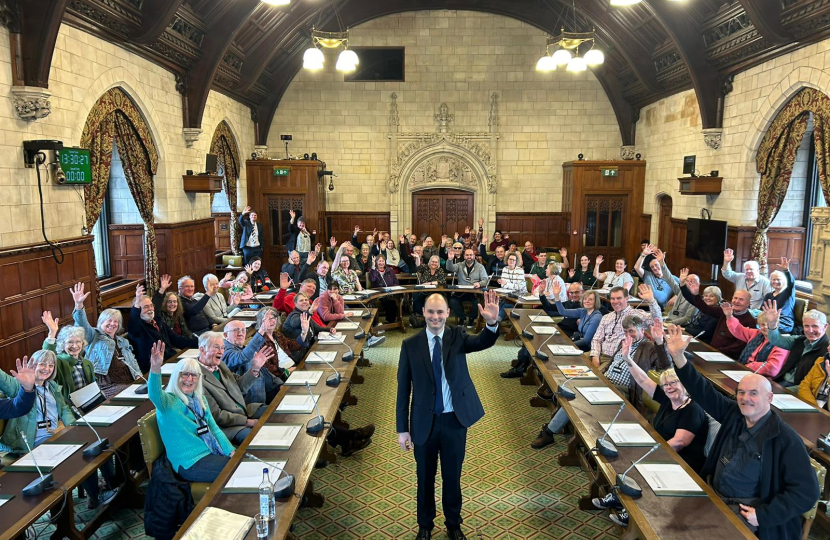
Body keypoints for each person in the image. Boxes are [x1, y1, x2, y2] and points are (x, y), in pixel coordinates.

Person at [665, 326, 819, 538]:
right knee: (667, 518)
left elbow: (807, 493)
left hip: (747, 515)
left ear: (769, 398)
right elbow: (703, 391)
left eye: (754, 393)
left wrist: (763, 515)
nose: (745, 398)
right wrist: (678, 357)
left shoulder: (785, 439)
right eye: (741, 393)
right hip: (714, 496)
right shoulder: (734, 414)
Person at [397, 291, 501, 540]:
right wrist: (402, 428)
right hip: (424, 423)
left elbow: (482, 342)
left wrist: (491, 323)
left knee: (452, 477)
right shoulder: (410, 345)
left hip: (455, 420)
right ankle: (425, 526)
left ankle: (453, 524)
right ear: (423, 312)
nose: (435, 317)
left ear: (448, 313)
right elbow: (403, 389)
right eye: (431, 312)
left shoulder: (457, 336)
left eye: (440, 312)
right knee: (424, 478)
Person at [148, 341, 235, 482]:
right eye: (185, 374)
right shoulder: (167, 401)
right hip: (189, 462)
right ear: (176, 376)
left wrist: (230, 451)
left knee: (240, 463)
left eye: (194, 375)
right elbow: (153, 393)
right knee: (235, 472)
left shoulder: (200, 399)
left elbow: (214, 428)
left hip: (209, 451)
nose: (190, 379)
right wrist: (155, 368)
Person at [195, 332, 271, 444]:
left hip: (244, 411)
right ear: (202, 350)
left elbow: (240, 386)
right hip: (228, 426)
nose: (221, 352)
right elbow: (217, 415)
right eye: (216, 347)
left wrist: (255, 368)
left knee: (276, 412)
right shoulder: (195, 377)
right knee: (258, 438)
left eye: (222, 348)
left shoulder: (220, 365)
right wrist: (248, 422)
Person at [71, 282, 142, 398]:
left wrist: (139, 377)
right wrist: (79, 305)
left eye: (115, 321)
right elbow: (81, 324)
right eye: (108, 321)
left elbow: (132, 361)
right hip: (106, 384)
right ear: (101, 322)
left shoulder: (123, 341)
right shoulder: (94, 335)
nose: (112, 324)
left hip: (128, 380)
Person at [679, 271, 755, 359]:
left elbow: (740, 345)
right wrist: (695, 294)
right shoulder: (725, 310)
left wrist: (718, 351)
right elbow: (705, 308)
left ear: (748, 304)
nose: (736, 301)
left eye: (741, 299)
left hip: (727, 356)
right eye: (735, 298)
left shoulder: (750, 321)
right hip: (711, 350)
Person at [589, 284, 662, 371]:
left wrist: (651, 301)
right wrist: (595, 356)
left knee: (591, 378)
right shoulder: (606, 317)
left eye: (619, 298)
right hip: (598, 354)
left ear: (627, 299)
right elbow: (597, 339)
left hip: (614, 359)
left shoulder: (636, 314)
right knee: (573, 362)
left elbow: (656, 321)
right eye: (613, 298)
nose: (615, 301)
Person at [131, 284, 198, 372]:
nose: (150, 309)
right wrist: (137, 304)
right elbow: (134, 321)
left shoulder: (157, 322)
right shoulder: (137, 328)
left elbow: (176, 340)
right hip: (153, 367)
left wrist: (202, 342)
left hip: (170, 359)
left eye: (151, 306)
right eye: (146, 307)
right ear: (138, 309)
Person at [766, 301, 830, 387]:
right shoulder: (799, 340)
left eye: (815, 326)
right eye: (806, 326)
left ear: (825, 327)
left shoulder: (827, 350)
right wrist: (772, 325)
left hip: (798, 389)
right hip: (781, 382)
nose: (810, 330)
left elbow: (814, 386)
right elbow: (775, 340)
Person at [222, 319, 285, 404]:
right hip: (251, 403)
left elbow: (262, 370)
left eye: (243, 330)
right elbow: (242, 357)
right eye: (235, 330)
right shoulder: (224, 350)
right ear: (226, 335)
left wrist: (279, 384)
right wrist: (262, 330)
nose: (240, 333)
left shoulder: (243, 348)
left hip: (266, 393)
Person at [724, 302, 787, 378]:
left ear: (776, 325)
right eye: (763, 324)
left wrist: (750, 366)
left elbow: (772, 368)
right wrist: (729, 316)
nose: (766, 327)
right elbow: (738, 329)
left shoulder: (781, 343)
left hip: (762, 378)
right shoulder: (756, 333)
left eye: (769, 324)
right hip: (744, 370)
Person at [41, 311, 95, 401]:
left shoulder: (87, 363)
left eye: (78, 341)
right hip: (69, 407)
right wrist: (52, 333)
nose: (75, 346)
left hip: (88, 403)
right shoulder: (58, 362)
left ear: (82, 343)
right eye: (70, 342)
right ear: (62, 344)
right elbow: (46, 357)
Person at [547, 282, 602, 351]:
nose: (587, 301)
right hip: (577, 341)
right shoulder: (583, 311)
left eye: (590, 299)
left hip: (585, 347)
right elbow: (563, 312)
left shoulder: (596, 317)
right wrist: (556, 296)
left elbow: (586, 341)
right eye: (585, 299)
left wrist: (568, 345)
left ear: (595, 301)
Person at [446, 248, 489, 328]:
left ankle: (472, 319)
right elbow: (449, 268)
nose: (469, 257)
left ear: (474, 256)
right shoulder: (459, 265)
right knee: (452, 301)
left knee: (478, 303)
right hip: (461, 291)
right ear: (464, 256)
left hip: (474, 291)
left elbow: (485, 280)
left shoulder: (480, 267)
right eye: (467, 255)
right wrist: (450, 259)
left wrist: (479, 284)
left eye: (471, 255)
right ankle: (462, 318)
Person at [763, 258, 796, 332]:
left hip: (784, 323)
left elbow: (791, 283)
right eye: (773, 279)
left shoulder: (788, 293)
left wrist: (786, 270)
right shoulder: (768, 295)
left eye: (778, 279)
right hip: (768, 321)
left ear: (784, 281)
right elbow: (762, 310)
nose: (775, 281)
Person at [368, 255, 400, 324]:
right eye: (379, 261)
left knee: (394, 301)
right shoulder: (373, 271)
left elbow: (396, 282)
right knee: (389, 302)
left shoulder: (390, 271)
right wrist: (373, 267)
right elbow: (373, 279)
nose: (381, 263)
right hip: (379, 294)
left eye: (383, 261)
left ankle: (392, 321)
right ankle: (390, 321)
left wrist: (392, 288)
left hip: (391, 293)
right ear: (376, 262)